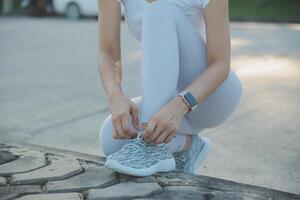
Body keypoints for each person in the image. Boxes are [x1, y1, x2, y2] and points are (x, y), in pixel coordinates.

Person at [98, 0, 243, 176]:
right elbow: (108, 52)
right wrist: (116, 96)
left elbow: (220, 65)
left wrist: (180, 105)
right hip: (166, 100)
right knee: (111, 139)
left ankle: (152, 147)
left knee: (159, 11)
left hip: (210, 96)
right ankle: (188, 146)